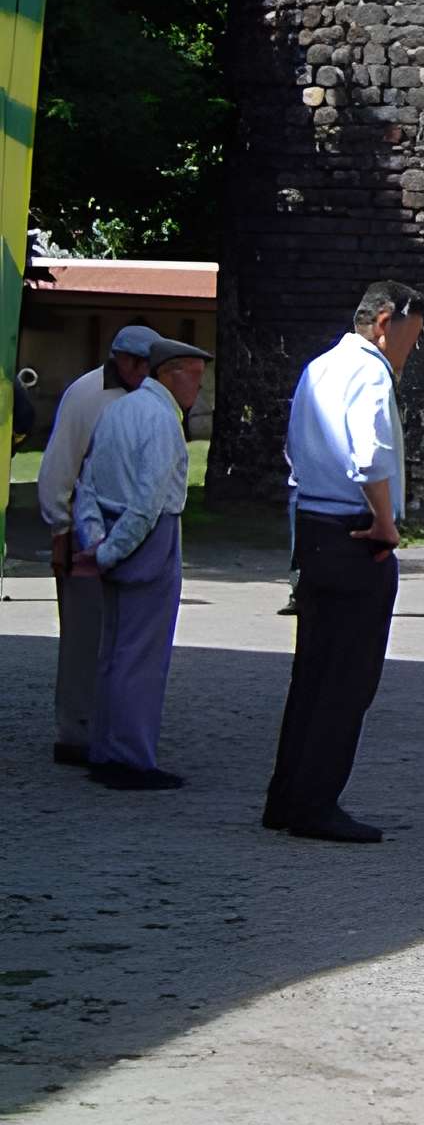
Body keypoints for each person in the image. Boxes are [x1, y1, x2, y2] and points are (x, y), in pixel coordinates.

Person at [263, 282, 424, 845]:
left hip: (312, 526)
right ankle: (316, 803)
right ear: (384, 322)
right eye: (411, 335)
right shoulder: (370, 372)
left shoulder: (320, 367)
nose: (412, 350)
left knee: (312, 673)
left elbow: (296, 451)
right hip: (354, 530)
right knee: (348, 678)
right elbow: (370, 454)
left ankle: (287, 796)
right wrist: (385, 522)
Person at [73, 336, 213, 791]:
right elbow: (150, 501)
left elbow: (88, 482)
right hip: (148, 540)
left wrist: (95, 538)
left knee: (114, 649)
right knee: (142, 655)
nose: (199, 387)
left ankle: (104, 748)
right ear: (170, 374)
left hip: (116, 530)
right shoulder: (160, 420)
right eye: (195, 376)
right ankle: (131, 758)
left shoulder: (118, 411)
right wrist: (111, 551)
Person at [36, 324, 158, 766]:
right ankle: (75, 730)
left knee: (123, 636)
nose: (143, 371)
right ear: (120, 361)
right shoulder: (87, 394)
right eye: (136, 363)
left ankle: (110, 726)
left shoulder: (146, 395)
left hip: (129, 530)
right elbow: (60, 465)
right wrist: (60, 530)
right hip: (87, 529)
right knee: (84, 635)